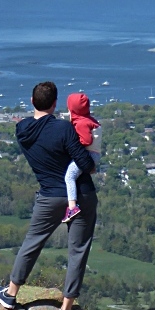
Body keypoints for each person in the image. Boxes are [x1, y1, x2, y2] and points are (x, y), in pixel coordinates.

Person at [0, 81, 98, 310]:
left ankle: (10, 294)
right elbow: (85, 163)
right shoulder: (63, 129)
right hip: (80, 194)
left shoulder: (22, 130)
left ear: (32, 102)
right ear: (54, 104)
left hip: (49, 196)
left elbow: (29, 126)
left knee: (32, 243)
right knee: (78, 251)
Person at [62, 92, 101, 223]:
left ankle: (72, 206)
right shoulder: (90, 120)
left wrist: (73, 142)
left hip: (89, 154)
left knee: (70, 176)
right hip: (94, 154)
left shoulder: (81, 123)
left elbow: (86, 140)